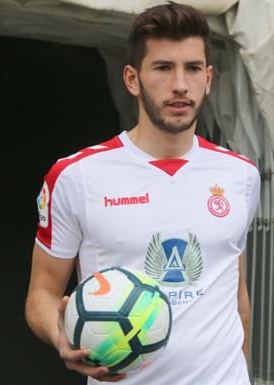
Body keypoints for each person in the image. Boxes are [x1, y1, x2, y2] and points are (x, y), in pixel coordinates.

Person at [25, 2, 260, 384]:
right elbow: (42, 292)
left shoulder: (241, 175)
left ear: (209, 78)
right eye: (164, 68)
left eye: (193, 68)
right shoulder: (75, 176)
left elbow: (237, 298)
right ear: (132, 79)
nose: (180, 84)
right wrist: (60, 335)